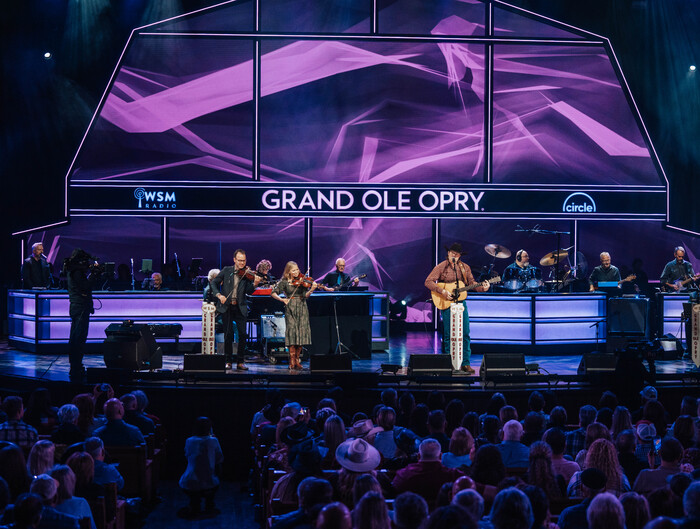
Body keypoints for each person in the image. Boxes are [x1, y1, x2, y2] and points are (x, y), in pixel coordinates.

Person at [424, 242, 490, 374]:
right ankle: (449, 363)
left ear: (460, 256)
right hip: (447, 303)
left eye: (457, 254)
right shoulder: (441, 266)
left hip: (461, 303)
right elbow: (428, 282)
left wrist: (483, 288)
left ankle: (465, 363)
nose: (454, 256)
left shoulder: (465, 268)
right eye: (452, 253)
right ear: (448, 253)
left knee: (465, 333)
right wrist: (442, 291)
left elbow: (471, 283)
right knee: (449, 334)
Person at [210, 249, 261, 370]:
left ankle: (240, 361)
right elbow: (214, 283)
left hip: (240, 307)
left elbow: (248, 291)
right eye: (239, 260)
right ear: (234, 260)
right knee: (228, 335)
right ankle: (228, 361)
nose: (242, 263)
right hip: (227, 307)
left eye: (244, 261)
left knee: (243, 334)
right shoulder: (227, 270)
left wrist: (255, 284)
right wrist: (219, 295)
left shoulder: (246, 274)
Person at [271, 261, 318, 370]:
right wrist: (282, 300)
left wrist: (311, 289)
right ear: (288, 272)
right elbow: (273, 293)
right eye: (293, 270)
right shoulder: (284, 282)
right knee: (292, 332)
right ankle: (291, 360)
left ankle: (297, 359)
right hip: (290, 307)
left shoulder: (302, 281)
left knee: (301, 333)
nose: (296, 272)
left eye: (297, 269)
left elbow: (305, 296)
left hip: (302, 306)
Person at [392, 438, 464, 508]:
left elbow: (395, 492)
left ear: (419, 456)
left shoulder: (404, 475)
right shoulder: (454, 476)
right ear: (441, 456)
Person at [63, 249, 100, 380]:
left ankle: (76, 365)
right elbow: (85, 286)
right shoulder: (76, 272)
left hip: (78, 307)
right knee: (78, 338)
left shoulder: (73, 270)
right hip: (80, 308)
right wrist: (94, 274)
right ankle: (76, 366)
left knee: (77, 337)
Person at [177, 417, 223, 518]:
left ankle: (195, 503)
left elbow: (187, 455)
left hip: (189, 482)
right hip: (209, 482)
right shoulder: (213, 440)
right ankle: (209, 502)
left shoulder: (189, 440)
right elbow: (219, 458)